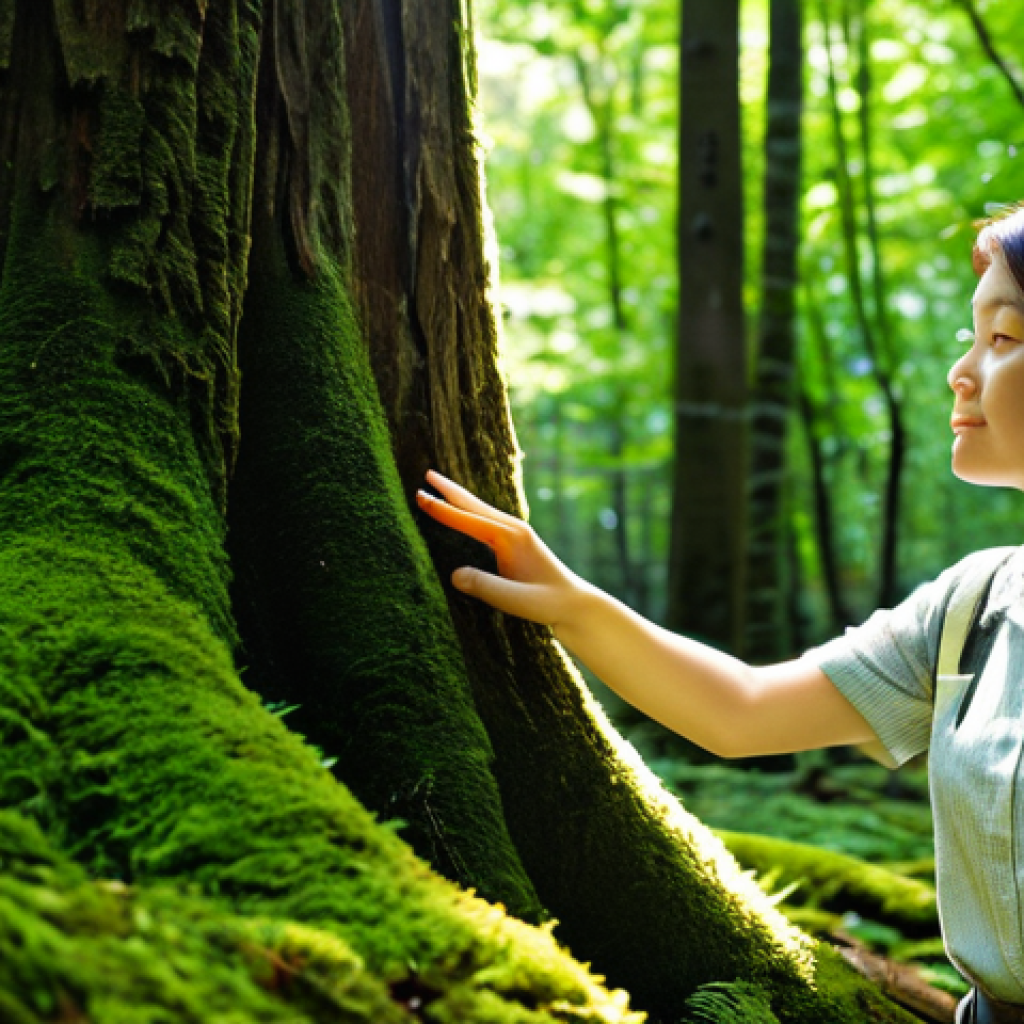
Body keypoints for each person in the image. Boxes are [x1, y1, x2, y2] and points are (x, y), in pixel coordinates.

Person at [416, 205, 1024, 1024]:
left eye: (1004, 339)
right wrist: (572, 604)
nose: (961, 371)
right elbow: (740, 710)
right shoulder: (974, 605)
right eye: (970, 334)